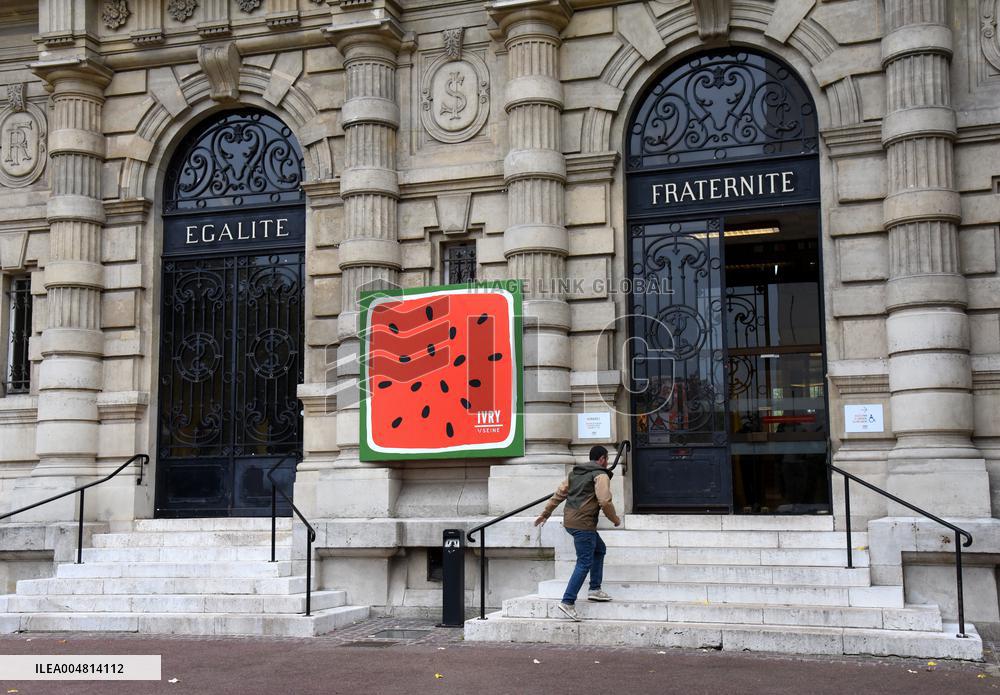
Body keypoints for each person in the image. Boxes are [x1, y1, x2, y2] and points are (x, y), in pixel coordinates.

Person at [534, 444, 622, 621]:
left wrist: (545, 514)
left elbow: (559, 494)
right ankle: (568, 601)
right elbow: (604, 501)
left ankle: (595, 589)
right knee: (584, 562)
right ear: (603, 459)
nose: (607, 463)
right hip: (584, 523)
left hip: (570, 521)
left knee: (599, 549)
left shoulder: (575, 473)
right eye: (607, 460)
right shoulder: (600, 474)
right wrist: (615, 519)